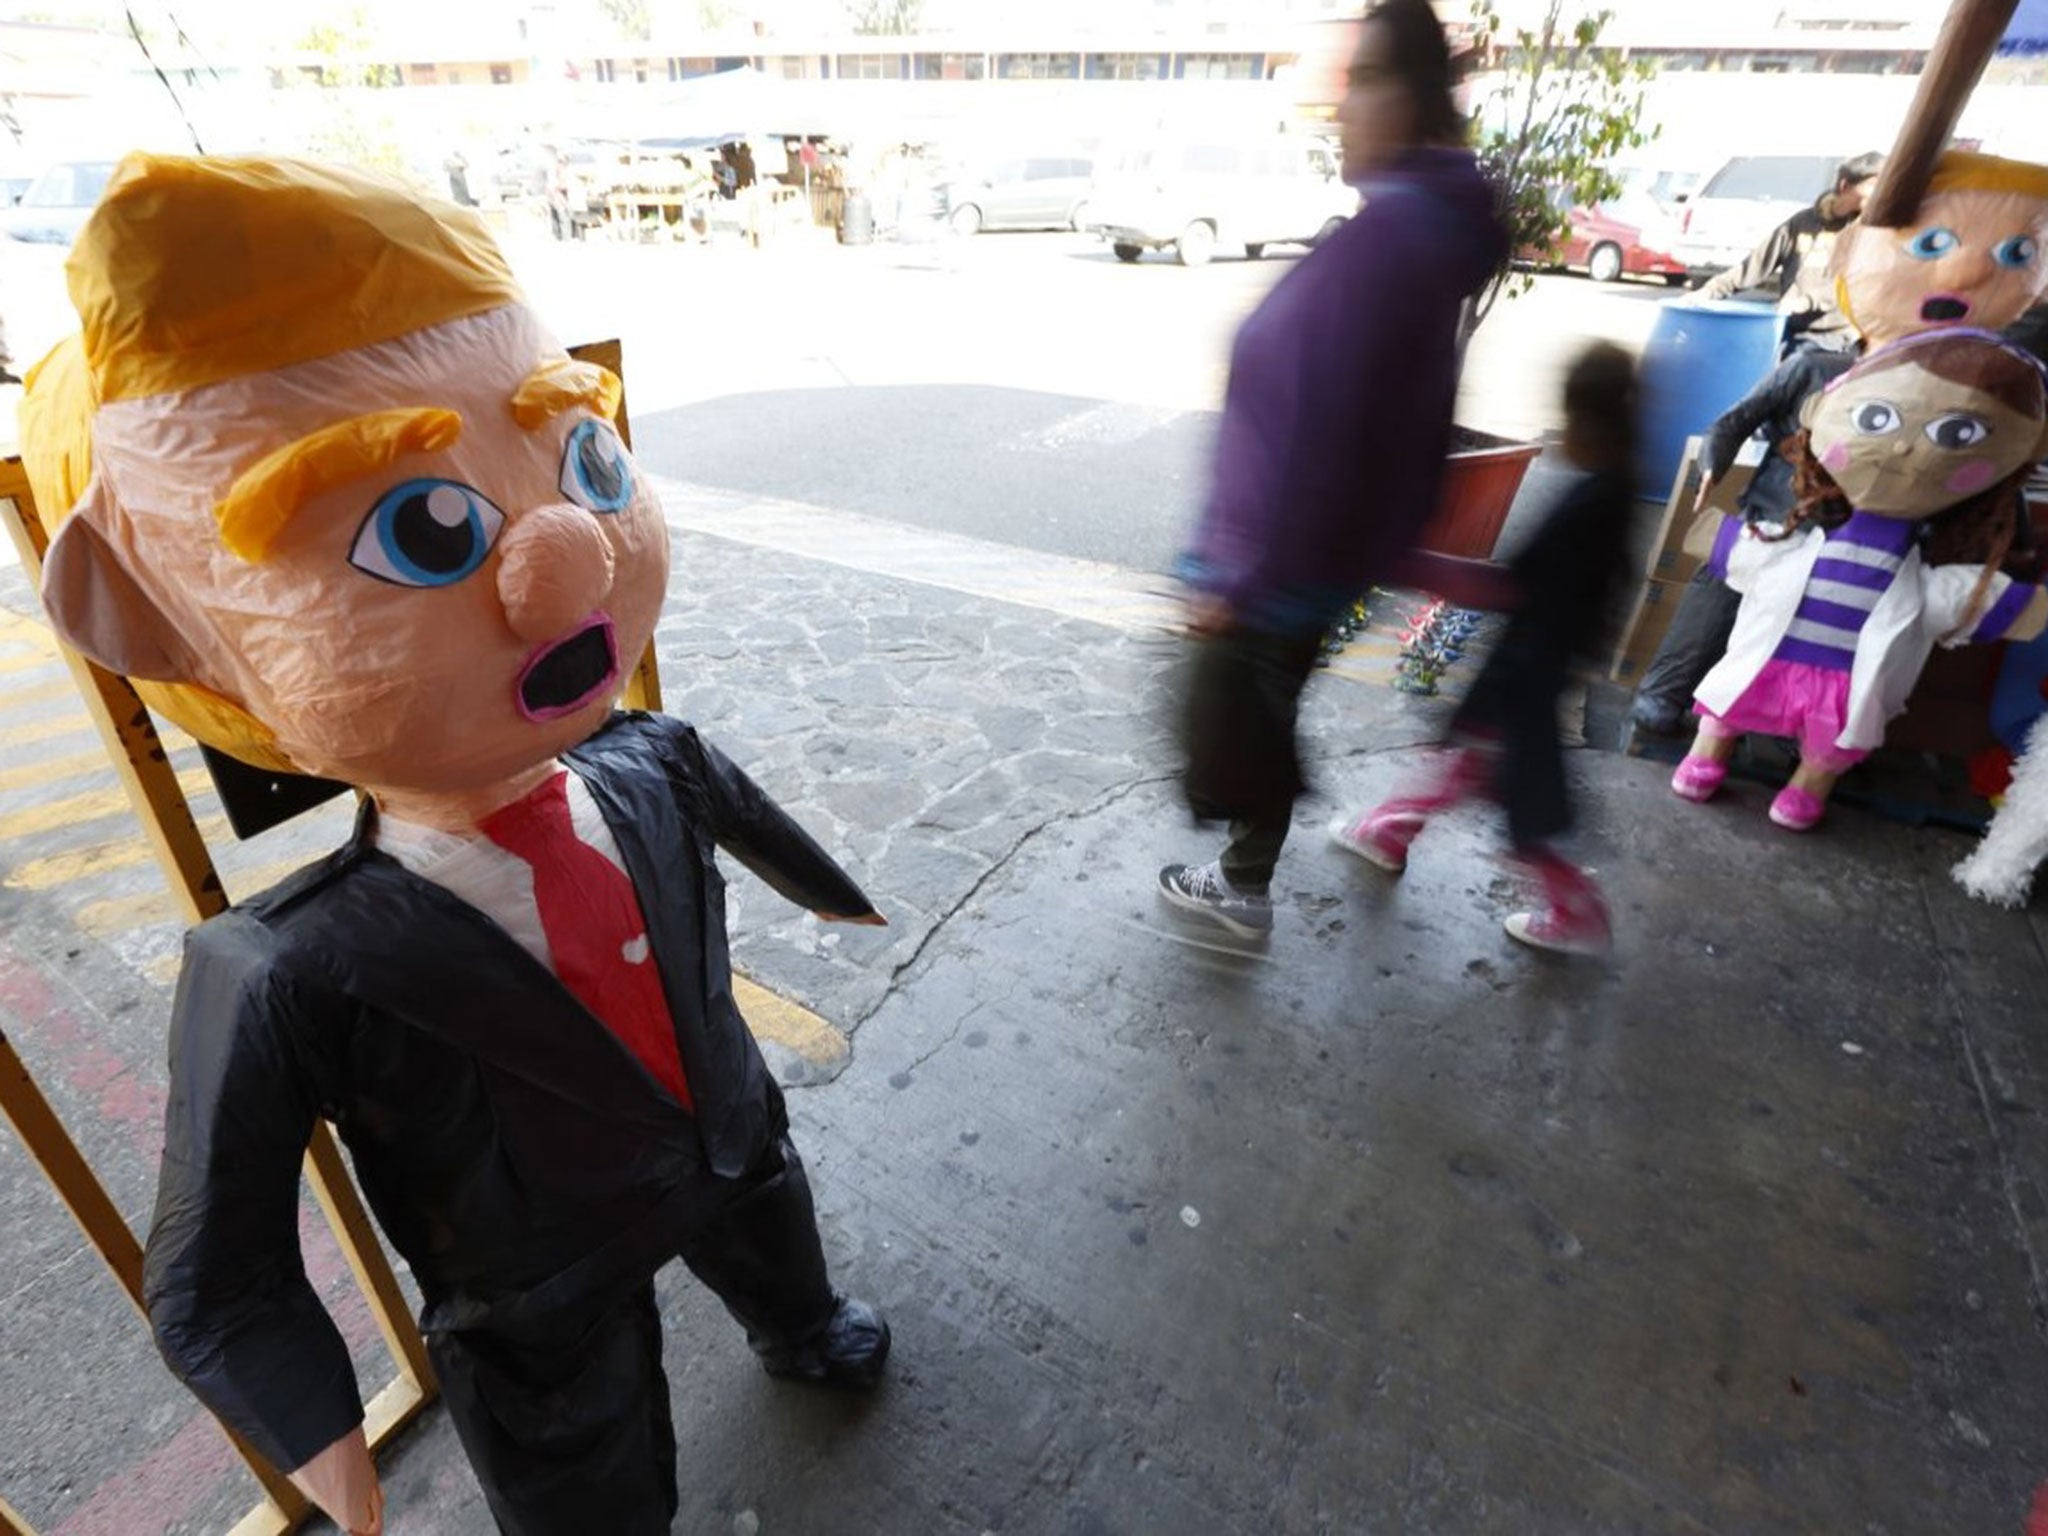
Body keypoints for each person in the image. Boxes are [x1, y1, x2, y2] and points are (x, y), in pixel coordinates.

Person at [22, 154, 889, 1536]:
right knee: (584, 1473)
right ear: (164, 624)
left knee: (778, 1245)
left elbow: (737, 810)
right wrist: (333, 1464)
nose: (573, 562)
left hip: (731, 1132)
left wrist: (831, 895)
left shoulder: (647, 755)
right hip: (538, 1284)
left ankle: (800, 1324)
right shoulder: (284, 971)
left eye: (586, 462)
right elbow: (215, 1271)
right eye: (425, 529)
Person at [1155, 0, 1506, 939]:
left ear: (1413, 97)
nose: (1341, 111)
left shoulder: (1391, 242)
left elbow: (1321, 428)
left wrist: (1237, 577)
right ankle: (1244, 872)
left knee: (1250, 720)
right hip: (1319, 559)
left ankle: (1243, 885)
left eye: (1361, 85)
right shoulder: (1416, 231)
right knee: (1265, 712)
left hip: (1282, 566)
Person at [1630, 149, 2048, 738]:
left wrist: (2014, 548)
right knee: (1724, 596)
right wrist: (1712, 465)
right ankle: (1671, 698)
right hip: (1778, 521)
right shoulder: (1817, 366)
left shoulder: (1974, 390)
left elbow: (2005, 475)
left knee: (1822, 650)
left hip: (1870, 551)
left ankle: (1781, 737)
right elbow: (1735, 420)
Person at [1328, 344, 1640, 955]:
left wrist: (1410, 561)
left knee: (1519, 805)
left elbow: (1511, 585)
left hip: (1525, 674)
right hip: (1541, 666)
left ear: (1582, 416)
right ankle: (1388, 833)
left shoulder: (1589, 503)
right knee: (1471, 766)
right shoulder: (1618, 487)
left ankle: (1574, 911)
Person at [1697, 152, 1884, 355]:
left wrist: (1805, 302)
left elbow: (1853, 285)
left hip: (1834, 339)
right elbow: (1755, 265)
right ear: (1845, 186)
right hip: (1787, 329)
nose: (1880, 192)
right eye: (1873, 185)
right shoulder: (1801, 223)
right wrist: (1709, 291)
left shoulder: (1869, 232)